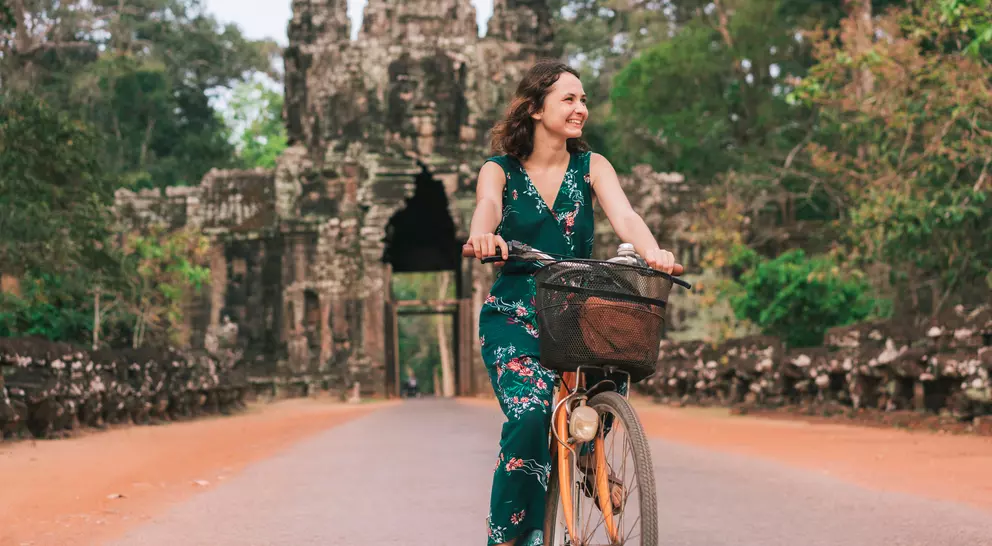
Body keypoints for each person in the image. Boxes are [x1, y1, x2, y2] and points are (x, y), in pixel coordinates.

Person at [466, 59, 677, 546]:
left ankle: (590, 449)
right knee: (529, 415)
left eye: (583, 99)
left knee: (614, 354)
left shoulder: (592, 166)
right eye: (568, 98)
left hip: (576, 307)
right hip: (515, 314)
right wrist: (483, 235)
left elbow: (624, 214)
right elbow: (488, 206)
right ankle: (513, 540)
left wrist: (653, 252)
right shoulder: (499, 170)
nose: (581, 108)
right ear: (535, 108)